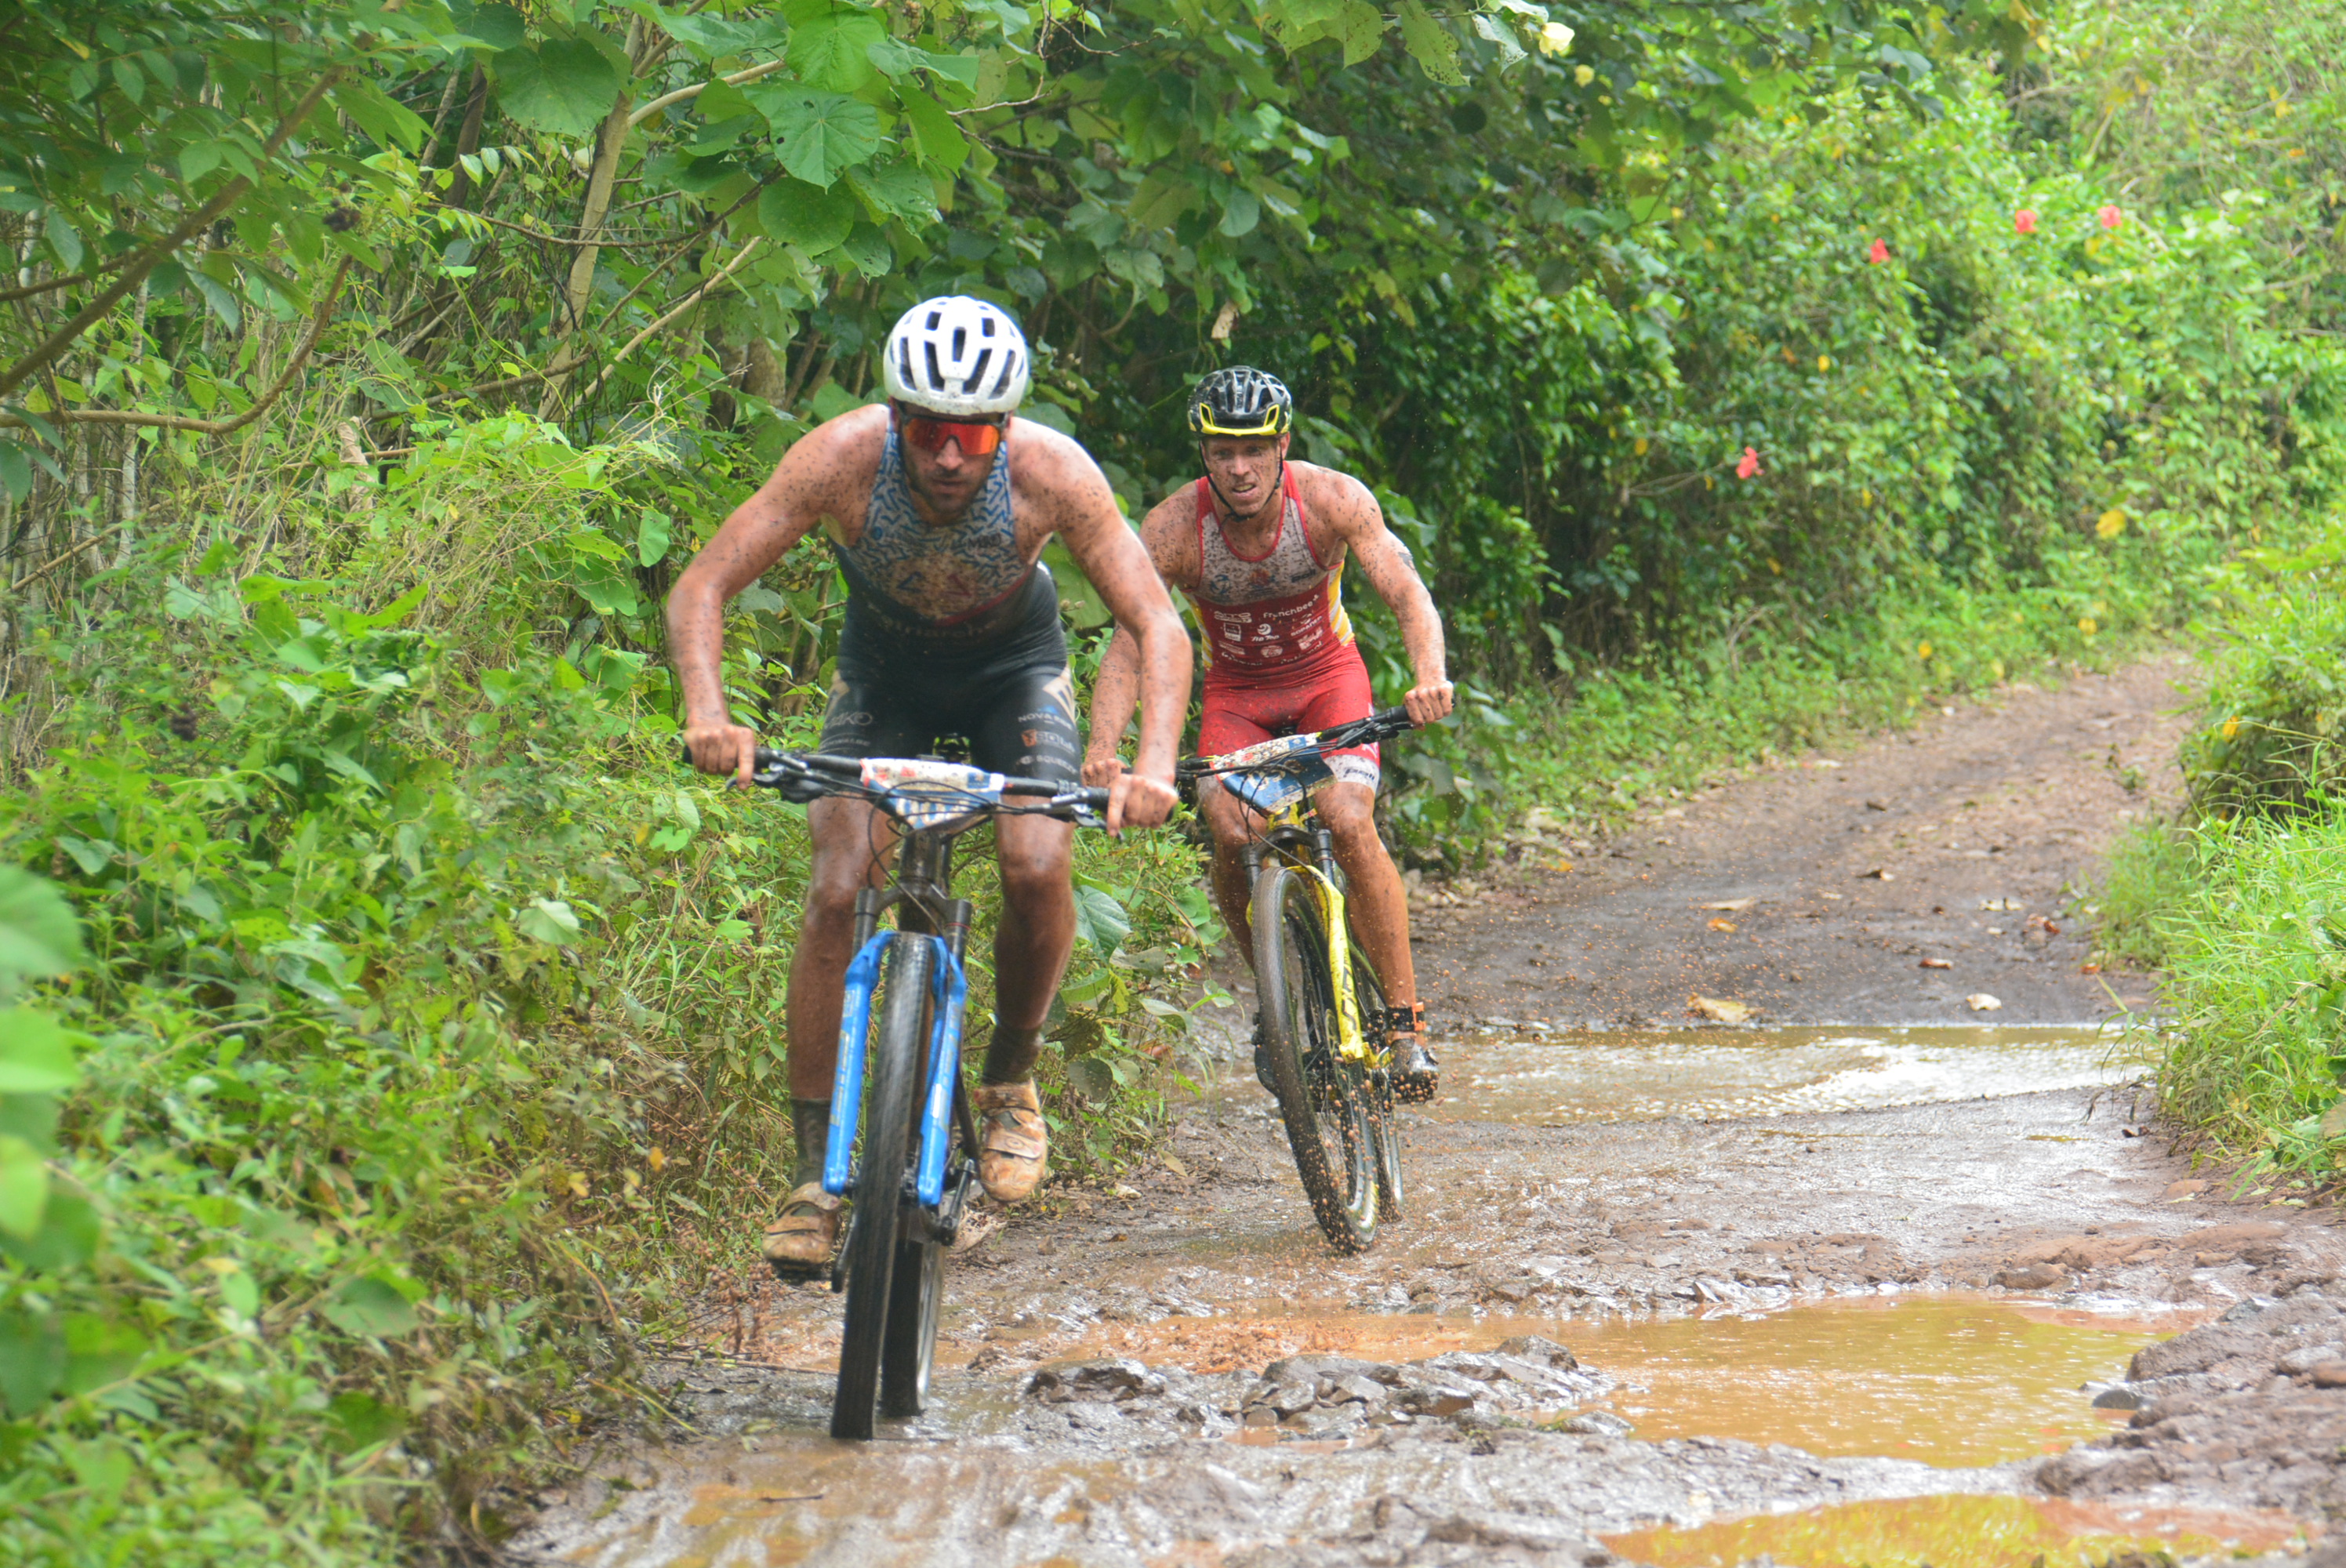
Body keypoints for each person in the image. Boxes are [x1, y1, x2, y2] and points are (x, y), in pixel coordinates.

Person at [670, 296, 1190, 1270]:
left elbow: (1158, 626)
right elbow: (702, 584)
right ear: (897, 420)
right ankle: (813, 1177)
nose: (948, 458)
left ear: (1004, 431)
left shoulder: (1052, 475)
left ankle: (1007, 1080)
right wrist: (709, 712)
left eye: (971, 436)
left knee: (1037, 860)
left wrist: (1155, 766)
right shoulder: (839, 458)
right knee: (837, 887)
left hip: (1013, 673)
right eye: (927, 432)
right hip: (885, 676)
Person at [1080, 366, 1451, 1101]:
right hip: (1238, 697)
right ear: (1204, 456)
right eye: (1223, 451)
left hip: (1328, 683)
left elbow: (1405, 589)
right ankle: (1275, 1000)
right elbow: (1129, 646)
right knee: (1229, 826)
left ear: (1282, 445)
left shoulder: (1332, 500)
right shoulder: (1170, 530)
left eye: (1253, 447)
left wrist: (1428, 675)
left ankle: (1406, 1029)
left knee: (1347, 818)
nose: (1239, 466)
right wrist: (1102, 749)